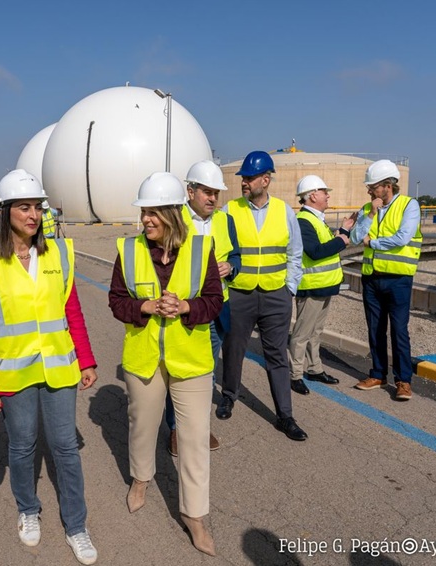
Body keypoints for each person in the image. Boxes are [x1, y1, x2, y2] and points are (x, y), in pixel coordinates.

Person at [0, 169, 99, 565]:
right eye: (24, 207)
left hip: (59, 368)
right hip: (13, 373)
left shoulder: (58, 253)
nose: (33, 215)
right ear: (4, 211)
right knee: (22, 447)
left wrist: (87, 359)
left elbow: (71, 310)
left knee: (65, 448)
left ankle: (76, 525)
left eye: (37, 207)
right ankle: (28, 510)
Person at [108, 172, 223, 557]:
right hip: (144, 359)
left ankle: (195, 515)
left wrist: (187, 306)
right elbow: (116, 300)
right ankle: (141, 479)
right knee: (142, 426)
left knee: (193, 439)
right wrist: (144, 306)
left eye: (153, 213)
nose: (146, 220)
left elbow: (214, 301)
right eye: (143, 213)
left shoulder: (200, 248)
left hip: (190, 359)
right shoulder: (128, 250)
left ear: (174, 213)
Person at [216, 150, 308, 442]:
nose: (244, 182)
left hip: (275, 295)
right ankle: (229, 396)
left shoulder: (285, 212)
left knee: (276, 356)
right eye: (243, 177)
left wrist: (289, 289)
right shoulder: (230, 211)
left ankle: (285, 416)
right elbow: (223, 249)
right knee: (233, 350)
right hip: (240, 293)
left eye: (249, 177)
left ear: (265, 180)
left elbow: (295, 254)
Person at [162, 160, 240, 456]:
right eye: (206, 191)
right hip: (184, 311)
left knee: (206, 372)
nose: (212, 198)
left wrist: (231, 266)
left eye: (216, 193)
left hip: (216, 309)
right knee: (180, 372)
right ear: (190, 190)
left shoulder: (224, 220)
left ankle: (198, 426)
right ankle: (175, 429)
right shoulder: (172, 217)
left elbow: (238, 254)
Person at [350, 160, 422, 401]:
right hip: (372, 278)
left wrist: (374, 243)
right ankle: (378, 374)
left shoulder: (409, 206)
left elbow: (403, 237)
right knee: (375, 329)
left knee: (399, 330)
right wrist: (370, 213)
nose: (369, 190)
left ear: (388, 185)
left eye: (374, 186)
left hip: (398, 279)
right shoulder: (368, 208)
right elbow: (356, 236)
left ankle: (403, 381)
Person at [287, 175, 354, 395]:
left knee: (315, 332)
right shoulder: (303, 221)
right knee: (302, 333)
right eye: (325, 192)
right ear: (313, 195)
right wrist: (340, 241)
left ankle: (315, 369)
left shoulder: (317, 219)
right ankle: (295, 375)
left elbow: (325, 245)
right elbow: (315, 252)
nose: (328, 195)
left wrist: (342, 232)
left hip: (324, 286)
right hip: (311, 286)